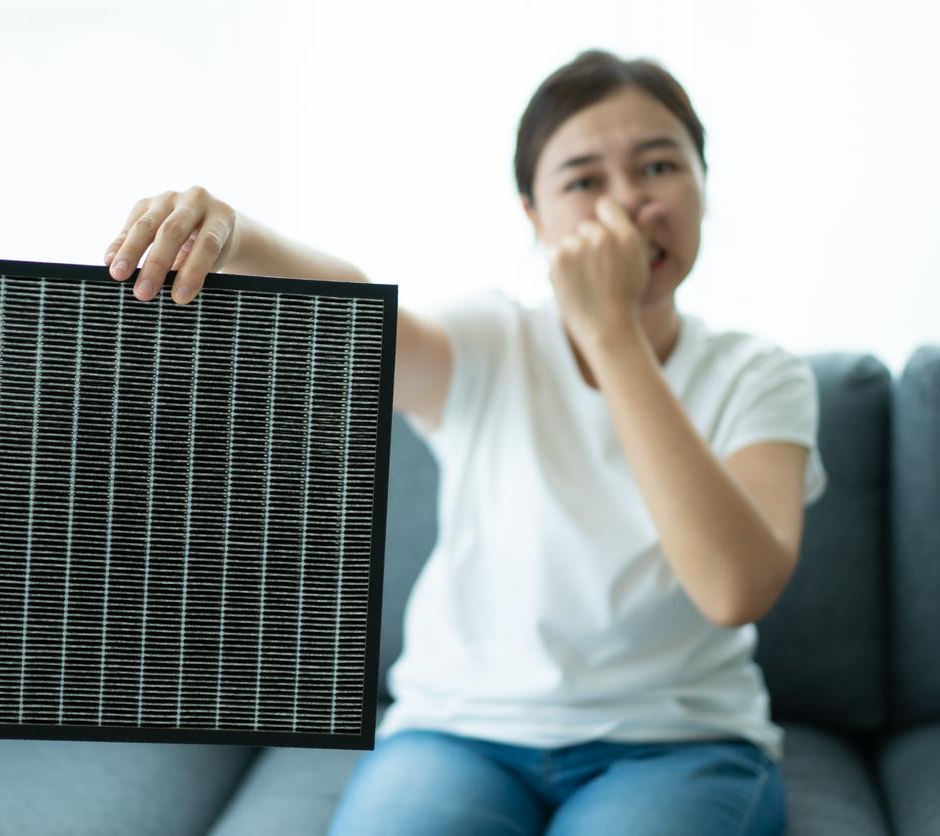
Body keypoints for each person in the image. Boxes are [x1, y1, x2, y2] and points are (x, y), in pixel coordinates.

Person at [104, 47, 826, 836]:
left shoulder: (760, 375)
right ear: (534, 216)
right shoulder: (492, 339)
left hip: (680, 743)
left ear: (702, 186)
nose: (626, 207)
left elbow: (734, 589)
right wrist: (238, 236)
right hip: (461, 733)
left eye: (658, 168)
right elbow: (359, 317)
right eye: (584, 181)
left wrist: (611, 334)